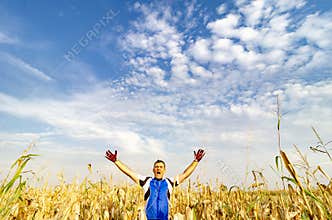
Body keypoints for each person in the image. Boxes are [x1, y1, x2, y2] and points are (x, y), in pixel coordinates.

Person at [105, 148, 205, 220]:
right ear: (153, 169)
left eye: (161, 167)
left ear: (164, 170)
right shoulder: (146, 182)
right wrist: (116, 161)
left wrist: (195, 161)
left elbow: (185, 174)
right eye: (156, 167)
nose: (158, 168)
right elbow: (129, 172)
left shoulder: (169, 182)